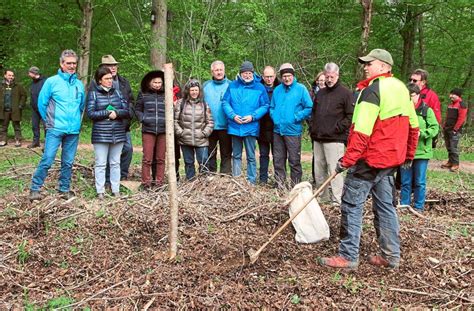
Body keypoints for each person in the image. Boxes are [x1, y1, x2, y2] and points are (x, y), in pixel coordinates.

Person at [320, 49, 419, 269]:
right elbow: (414, 126)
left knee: (351, 204)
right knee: (385, 207)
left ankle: (347, 256)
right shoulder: (402, 89)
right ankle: (391, 255)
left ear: (384, 67)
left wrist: (346, 161)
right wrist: (408, 155)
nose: (365, 67)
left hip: (371, 160)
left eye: (369, 63)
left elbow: (361, 132)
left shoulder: (372, 91)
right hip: (391, 160)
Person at [29, 49, 85, 201]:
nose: (72, 66)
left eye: (74, 63)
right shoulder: (51, 82)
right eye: (68, 63)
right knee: (47, 158)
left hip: (73, 130)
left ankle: (64, 189)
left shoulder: (79, 85)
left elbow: (81, 106)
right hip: (54, 128)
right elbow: (42, 104)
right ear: (61, 63)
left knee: (68, 162)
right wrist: (48, 122)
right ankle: (35, 188)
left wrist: (77, 123)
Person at [310, 62, 353, 206]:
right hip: (318, 138)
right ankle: (323, 199)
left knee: (334, 172)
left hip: (335, 139)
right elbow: (314, 113)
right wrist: (313, 128)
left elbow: (350, 116)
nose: (329, 79)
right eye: (327, 76)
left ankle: (336, 200)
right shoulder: (320, 93)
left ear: (337, 75)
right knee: (319, 171)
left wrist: (336, 128)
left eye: (332, 77)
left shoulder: (345, 93)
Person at [222, 61, 269, 185]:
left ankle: (251, 181)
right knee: (236, 155)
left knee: (251, 156)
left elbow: (265, 105)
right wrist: (232, 116)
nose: (247, 75)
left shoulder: (259, 87)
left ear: (252, 73)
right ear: (240, 73)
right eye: (244, 73)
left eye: (249, 73)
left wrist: (253, 117)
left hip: (251, 127)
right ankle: (237, 180)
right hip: (235, 126)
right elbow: (225, 103)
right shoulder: (232, 85)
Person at [87, 67, 130, 199]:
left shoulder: (118, 93)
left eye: (111, 78)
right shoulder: (93, 94)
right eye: (106, 78)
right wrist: (106, 113)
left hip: (118, 132)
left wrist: (116, 113)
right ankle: (100, 190)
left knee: (115, 162)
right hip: (100, 134)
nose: (109, 81)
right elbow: (90, 113)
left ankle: (115, 189)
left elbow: (126, 110)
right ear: (100, 81)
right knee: (100, 163)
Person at [270, 63, 312, 188]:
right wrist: (275, 118)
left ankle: (296, 186)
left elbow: (309, 107)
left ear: (293, 76)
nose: (287, 78)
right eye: (284, 76)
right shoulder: (277, 90)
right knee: (278, 160)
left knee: (294, 161)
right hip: (278, 130)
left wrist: (296, 117)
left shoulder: (301, 89)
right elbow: (272, 107)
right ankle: (280, 185)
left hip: (293, 131)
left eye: (289, 76)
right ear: (281, 77)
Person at [399, 83, 438, 211]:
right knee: (405, 181)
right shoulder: (402, 110)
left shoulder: (427, 110)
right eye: (407, 96)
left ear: (418, 95)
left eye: (412, 96)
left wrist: (423, 133)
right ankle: (404, 204)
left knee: (419, 182)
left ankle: (418, 206)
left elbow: (435, 128)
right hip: (405, 152)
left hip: (422, 152)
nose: (409, 99)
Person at [98, 55, 134, 180]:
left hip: (123, 123)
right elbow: (93, 104)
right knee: (107, 153)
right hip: (105, 124)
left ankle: (122, 176)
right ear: (103, 68)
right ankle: (107, 179)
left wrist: (127, 114)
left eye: (114, 65)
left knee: (128, 149)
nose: (112, 68)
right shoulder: (96, 84)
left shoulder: (124, 82)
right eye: (109, 66)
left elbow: (131, 101)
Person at [174, 79, 214, 180]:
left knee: (204, 162)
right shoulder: (180, 104)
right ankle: (190, 182)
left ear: (199, 91)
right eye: (192, 90)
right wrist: (181, 133)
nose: (194, 92)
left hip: (201, 140)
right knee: (188, 162)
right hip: (185, 139)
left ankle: (204, 183)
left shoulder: (204, 104)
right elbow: (175, 121)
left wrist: (204, 133)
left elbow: (210, 122)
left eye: (196, 90)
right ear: (188, 91)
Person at [135, 70, 166, 189]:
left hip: (163, 130)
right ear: (150, 83)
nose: (157, 84)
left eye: (159, 82)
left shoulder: (166, 94)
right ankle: (146, 183)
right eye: (155, 82)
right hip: (148, 130)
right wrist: (143, 118)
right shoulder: (143, 94)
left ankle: (159, 183)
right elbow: (137, 109)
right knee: (147, 158)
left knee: (160, 158)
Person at [203, 60, 232, 175]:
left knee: (226, 152)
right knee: (210, 152)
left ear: (224, 70)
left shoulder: (231, 85)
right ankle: (211, 175)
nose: (219, 72)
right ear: (212, 71)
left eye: (221, 70)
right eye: (216, 70)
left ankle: (225, 176)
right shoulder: (206, 86)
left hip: (226, 126)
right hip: (210, 126)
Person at [258, 66, 280, 184]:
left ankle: (278, 180)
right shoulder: (258, 88)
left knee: (277, 156)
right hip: (261, 127)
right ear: (263, 77)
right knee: (263, 155)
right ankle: (263, 179)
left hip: (276, 128)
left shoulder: (280, 88)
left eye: (271, 76)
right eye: (267, 77)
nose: (269, 79)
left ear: (275, 76)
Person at [441, 88, 467, 172]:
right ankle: (450, 161)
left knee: (453, 147)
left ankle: (455, 164)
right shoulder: (451, 104)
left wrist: (455, 129)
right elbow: (448, 116)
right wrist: (444, 125)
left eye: (452, 94)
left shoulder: (462, 105)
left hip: (455, 130)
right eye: (450, 94)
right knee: (448, 147)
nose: (450, 96)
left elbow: (461, 119)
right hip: (447, 129)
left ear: (458, 95)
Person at [0, 69, 27, 147]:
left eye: (12, 75)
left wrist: (21, 105)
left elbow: (24, 95)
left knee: (17, 126)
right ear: (5, 75)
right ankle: (3, 140)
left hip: (15, 109)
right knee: (3, 127)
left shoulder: (18, 86)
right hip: (4, 110)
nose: (11, 77)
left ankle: (18, 140)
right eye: (9, 75)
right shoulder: (1, 85)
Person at [27, 66, 47, 148]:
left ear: (34, 73)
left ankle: (47, 143)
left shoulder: (45, 82)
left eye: (29, 73)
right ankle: (36, 142)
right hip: (34, 108)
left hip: (44, 108)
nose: (28, 74)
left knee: (46, 126)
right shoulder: (32, 83)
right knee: (34, 125)